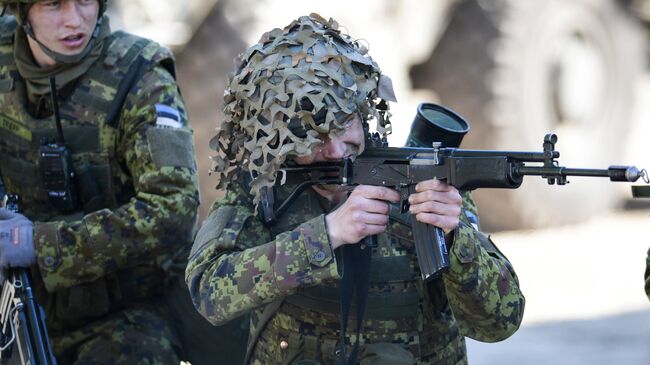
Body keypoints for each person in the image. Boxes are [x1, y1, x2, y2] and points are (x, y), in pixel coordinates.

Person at [186, 14, 525, 364]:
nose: (334, 150)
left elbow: (499, 323)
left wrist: (456, 240)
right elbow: (208, 293)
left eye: (343, 124)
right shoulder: (265, 188)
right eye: (312, 137)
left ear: (362, 113)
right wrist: (327, 234)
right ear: (279, 140)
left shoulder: (420, 182)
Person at [0, 0, 200, 363]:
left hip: (125, 316)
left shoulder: (141, 77)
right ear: (21, 11)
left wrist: (39, 243)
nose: (74, 20)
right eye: (53, 5)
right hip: (14, 304)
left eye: (85, 1)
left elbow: (176, 211)